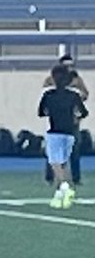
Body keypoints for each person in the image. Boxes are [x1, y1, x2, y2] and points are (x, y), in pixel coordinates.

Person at [39, 63, 89, 208]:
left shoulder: (48, 95)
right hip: (71, 131)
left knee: (56, 163)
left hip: (55, 131)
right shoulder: (74, 95)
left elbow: (41, 112)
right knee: (63, 163)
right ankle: (61, 192)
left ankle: (64, 187)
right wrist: (74, 116)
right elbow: (84, 113)